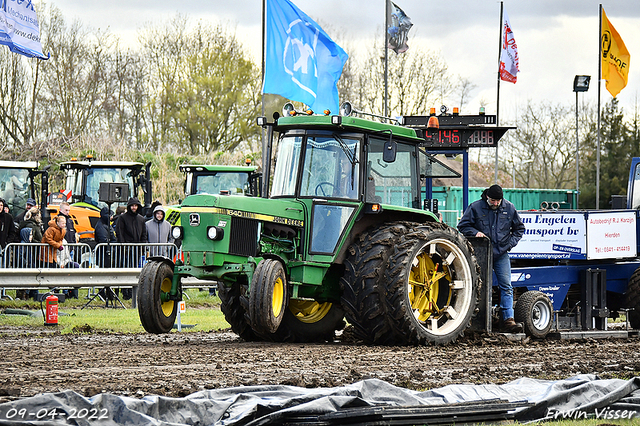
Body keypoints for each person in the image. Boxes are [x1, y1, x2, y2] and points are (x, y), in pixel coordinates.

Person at [457, 184, 526, 333]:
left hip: (501, 254)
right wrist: (475, 233)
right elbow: (462, 226)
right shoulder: (475, 207)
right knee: (479, 286)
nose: (495, 204)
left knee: (506, 286)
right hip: (481, 255)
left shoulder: (509, 208)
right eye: (493, 200)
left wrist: (509, 244)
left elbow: (519, 229)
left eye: (498, 201)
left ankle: (508, 320)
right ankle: (477, 319)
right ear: (487, 197)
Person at [115, 197, 148, 299]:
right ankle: (126, 293)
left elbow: (144, 235)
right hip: (125, 249)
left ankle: (132, 292)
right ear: (129, 207)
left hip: (137, 250)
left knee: (134, 271)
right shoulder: (122, 218)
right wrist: (123, 246)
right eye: (132, 206)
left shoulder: (141, 219)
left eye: (136, 206)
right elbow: (119, 233)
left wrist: (142, 248)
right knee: (126, 271)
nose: (134, 207)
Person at [0, 198, 17, 267]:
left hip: (4, 246)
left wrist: (7, 242)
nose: (0, 207)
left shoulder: (8, 217)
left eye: (1, 205)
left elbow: (12, 231)